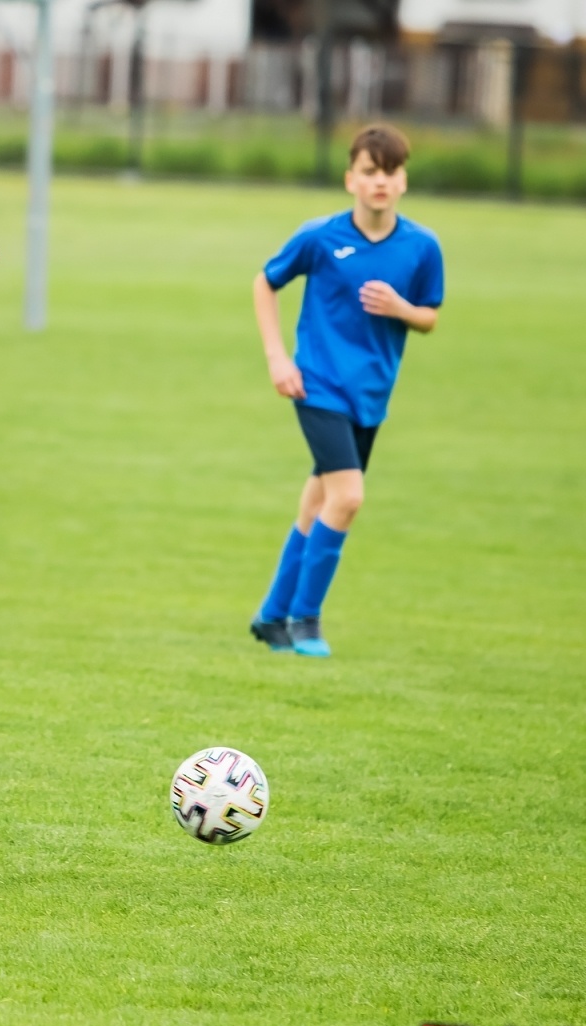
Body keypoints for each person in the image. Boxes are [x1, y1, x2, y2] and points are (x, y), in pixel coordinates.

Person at [249, 124, 444, 657]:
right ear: (350, 179)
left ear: (403, 181)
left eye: (391, 172)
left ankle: (271, 614)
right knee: (348, 497)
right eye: (369, 171)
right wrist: (277, 358)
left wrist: (401, 308)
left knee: (319, 500)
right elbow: (265, 283)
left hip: (372, 396)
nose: (380, 181)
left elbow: (428, 318)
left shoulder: (423, 248)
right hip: (317, 386)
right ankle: (305, 619)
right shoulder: (320, 237)